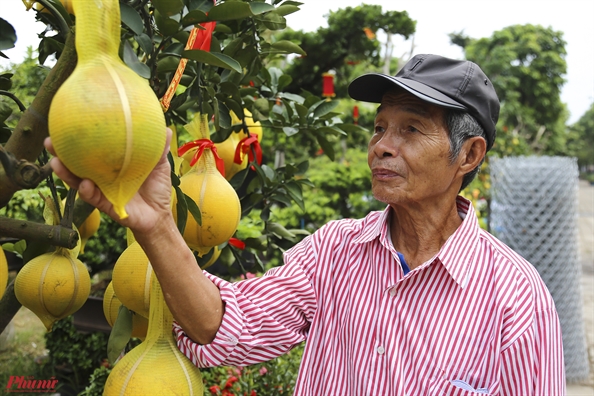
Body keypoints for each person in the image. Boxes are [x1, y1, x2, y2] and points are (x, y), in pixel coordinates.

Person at [46, 54, 565, 395]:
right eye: (381, 127)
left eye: (411, 129)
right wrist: (156, 223)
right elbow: (222, 328)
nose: (382, 145)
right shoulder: (335, 252)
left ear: (468, 155)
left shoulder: (515, 298)